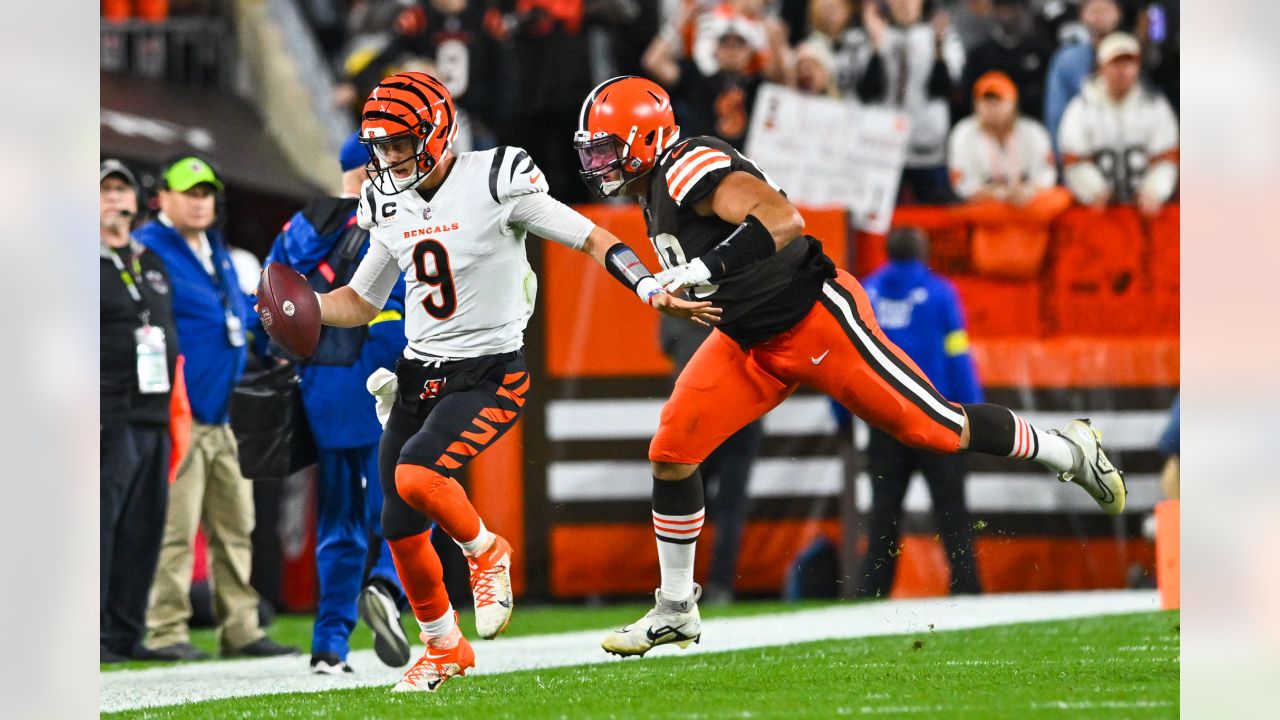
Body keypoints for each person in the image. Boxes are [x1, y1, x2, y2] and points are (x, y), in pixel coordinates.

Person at [573, 75, 1126, 658]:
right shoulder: (654, 188)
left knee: (937, 428)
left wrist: (708, 267)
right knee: (672, 452)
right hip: (747, 343)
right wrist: (695, 286)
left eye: (607, 147)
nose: (599, 161)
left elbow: (785, 220)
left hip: (815, 321)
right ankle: (677, 609)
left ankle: (1069, 449)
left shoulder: (687, 165)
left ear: (647, 137)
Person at [297, 72, 717, 692]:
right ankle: (443, 647)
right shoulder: (386, 200)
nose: (387, 159)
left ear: (437, 132)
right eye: (379, 146)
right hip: (418, 371)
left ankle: (484, 551)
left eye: (399, 143)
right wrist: (303, 306)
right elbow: (360, 300)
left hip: (488, 371)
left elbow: (592, 236)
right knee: (399, 527)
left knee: (417, 476)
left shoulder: (496, 179)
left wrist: (648, 284)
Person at [138, 156, 299, 661]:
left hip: (226, 415)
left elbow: (234, 319)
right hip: (180, 417)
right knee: (177, 532)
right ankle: (165, 630)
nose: (200, 201)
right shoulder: (148, 248)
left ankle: (241, 629)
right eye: (189, 192)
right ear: (161, 197)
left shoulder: (215, 249)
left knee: (236, 528)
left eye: (207, 193)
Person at [263, 133, 411, 675]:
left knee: (340, 522)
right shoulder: (398, 217)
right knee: (414, 500)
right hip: (391, 380)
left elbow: (267, 305)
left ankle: (329, 644)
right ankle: (388, 586)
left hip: (323, 388)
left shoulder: (300, 227)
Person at [856, 227, 982, 597]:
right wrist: (971, 414)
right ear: (923, 252)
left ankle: (872, 593)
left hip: (885, 423)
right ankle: (967, 590)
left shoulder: (866, 294)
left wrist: (844, 415)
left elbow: (846, 357)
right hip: (936, 419)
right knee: (952, 512)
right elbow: (958, 358)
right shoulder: (942, 294)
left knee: (883, 513)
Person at [100, 159, 181, 663]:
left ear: (135, 201)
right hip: (107, 412)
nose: (113, 198)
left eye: (120, 189)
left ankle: (126, 636)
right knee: (99, 526)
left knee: (143, 528)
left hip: (155, 413)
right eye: (103, 190)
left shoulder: (149, 261)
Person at [658, 316, 763, 604]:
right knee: (730, 506)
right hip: (739, 410)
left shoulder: (678, 305)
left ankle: (677, 586)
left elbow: (667, 345)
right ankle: (719, 585)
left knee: (681, 501)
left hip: (695, 413)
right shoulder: (737, 301)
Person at [839, 0, 966, 204]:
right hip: (882, 146)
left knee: (933, 219)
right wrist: (876, 46)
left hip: (927, 146)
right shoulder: (864, 37)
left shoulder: (944, 36)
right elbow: (865, 93)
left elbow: (945, 90)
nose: (904, 3)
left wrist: (938, 46)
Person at [948, 70, 1071, 276]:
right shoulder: (963, 134)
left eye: (998, 101)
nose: (992, 108)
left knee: (1059, 198)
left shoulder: (1033, 132)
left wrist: (1026, 192)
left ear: (1013, 103)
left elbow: (1046, 178)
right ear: (976, 104)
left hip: (1028, 202)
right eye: (985, 102)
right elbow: (964, 187)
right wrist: (1002, 195)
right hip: (989, 208)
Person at [1057, 32, 1179, 217]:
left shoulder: (1155, 106)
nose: (1122, 70)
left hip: (1145, 208)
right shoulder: (1080, 108)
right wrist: (1093, 191)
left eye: (1129, 64)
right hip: (1099, 208)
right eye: (1115, 64)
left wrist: (1155, 191)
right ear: (1101, 67)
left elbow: (1166, 156)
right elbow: (1074, 157)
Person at [1043, 0, 1122, 155]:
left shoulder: (1133, 52)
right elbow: (1055, 113)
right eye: (1094, 10)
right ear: (1082, 16)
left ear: (1118, 14)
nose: (1100, 16)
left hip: (1125, 146)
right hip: (1080, 145)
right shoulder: (1067, 58)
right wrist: (1061, 156)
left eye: (1105, 9)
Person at [958, 0, 1054, 121]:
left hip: (1030, 123)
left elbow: (1048, 93)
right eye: (1002, 8)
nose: (1008, 14)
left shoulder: (1039, 51)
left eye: (1013, 7)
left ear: (1022, 10)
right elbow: (969, 95)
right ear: (994, 11)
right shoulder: (979, 54)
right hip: (989, 124)